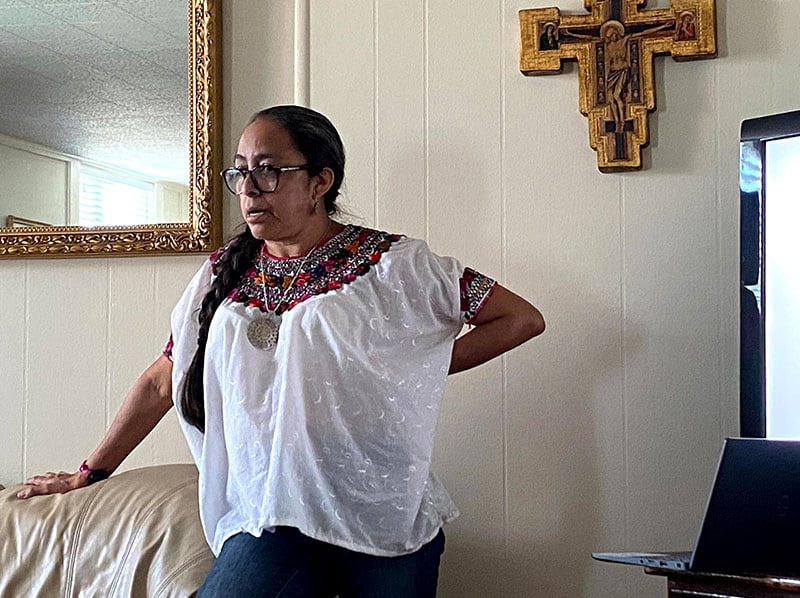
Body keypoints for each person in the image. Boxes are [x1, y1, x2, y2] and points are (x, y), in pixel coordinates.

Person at [17, 105, 545, 597]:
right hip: (271, 516)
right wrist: (89, 472)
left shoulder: (394, 265)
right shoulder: (222, 275)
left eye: (267, 170)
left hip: (382, 514)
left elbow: (520, 318)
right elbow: (164, 379)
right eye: (240, 171)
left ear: (320, 180)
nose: (248, 189)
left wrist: (412, 369)